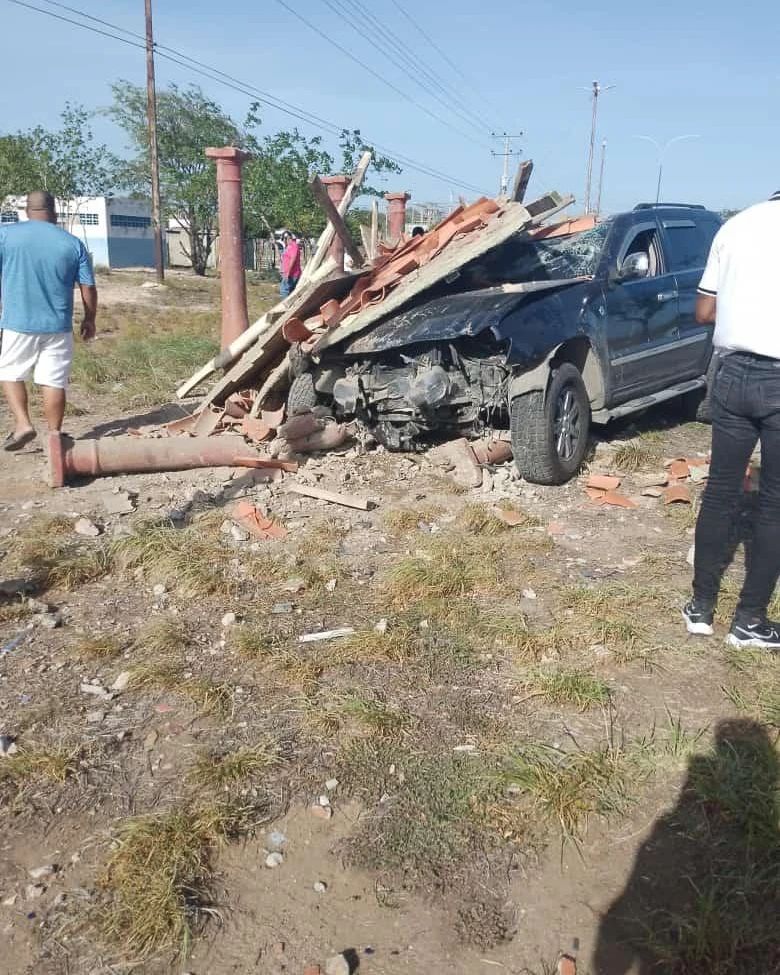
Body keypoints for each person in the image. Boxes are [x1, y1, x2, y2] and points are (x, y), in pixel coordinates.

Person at [683, 190, 780, 648]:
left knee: (721, 491)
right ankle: (749, 621)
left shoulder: (735, 226)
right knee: (775, 505)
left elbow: (704, 310)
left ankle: (700, 608)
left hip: (733, 372)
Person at [0, 190, 97, 451]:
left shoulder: (6, 235)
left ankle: (23, 424)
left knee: (9, 371)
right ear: (53, 211)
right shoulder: (72, 243)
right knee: (54, 380)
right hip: (58, 325)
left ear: (27, 210)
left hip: (18, 323)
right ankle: (54, 435)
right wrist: (90, 319)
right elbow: (87, 286)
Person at [279, 231, 301, 297]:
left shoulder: (293, 246)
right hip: (288, 274)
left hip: (292, 274)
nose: (284, 241)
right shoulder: (288, 246)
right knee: (290, 293)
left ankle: (285, 307)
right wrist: (282, 270)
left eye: (284, 239)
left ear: (288, 238)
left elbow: (293, 259)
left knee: (284, 291)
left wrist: (288, 272)